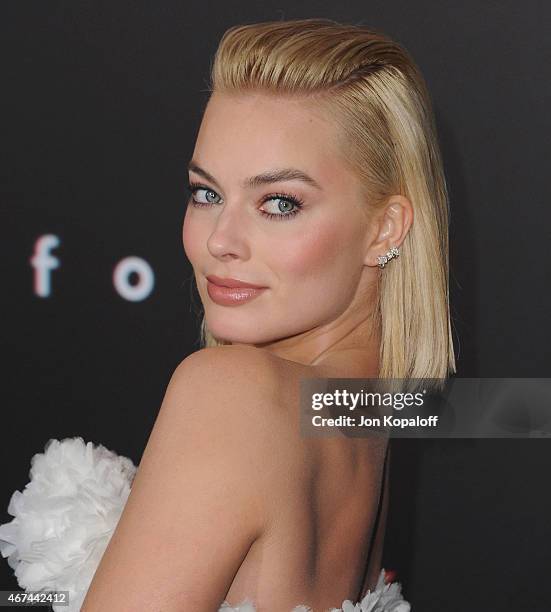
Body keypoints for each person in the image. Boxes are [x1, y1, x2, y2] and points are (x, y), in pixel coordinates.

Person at [1, 18, 456, 612]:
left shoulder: (234, 395)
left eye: (279, 203)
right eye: (206, 194)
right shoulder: (362, 416)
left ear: (385, 229)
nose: (221, 240)